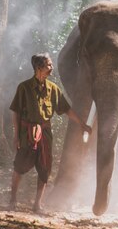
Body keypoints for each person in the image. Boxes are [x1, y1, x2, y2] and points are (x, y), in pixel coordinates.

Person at [9, 53, 91, 213]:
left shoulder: (53, 89)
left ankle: (37, 204)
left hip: (45, 134)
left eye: (51, 65)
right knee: (19, 166)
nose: (51, 68)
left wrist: (82, 124)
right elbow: (16, 113)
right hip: (27, 133)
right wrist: (16, 135)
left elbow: (66, 109)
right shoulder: (24, 88)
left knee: (45, 168)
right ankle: (12, 199)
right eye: (48, 65)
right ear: (38, 68)